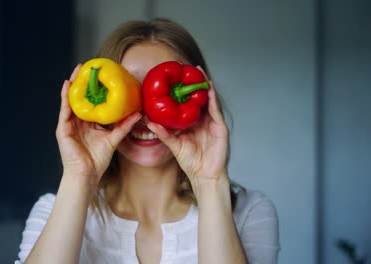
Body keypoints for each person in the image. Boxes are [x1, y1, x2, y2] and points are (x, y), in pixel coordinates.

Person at [15, 18, 279, 264]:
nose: (143, 119)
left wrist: (209, 183)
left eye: (164, 92)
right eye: (129, 93)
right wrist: (78, 176)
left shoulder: (248, 212)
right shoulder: (53, 209)